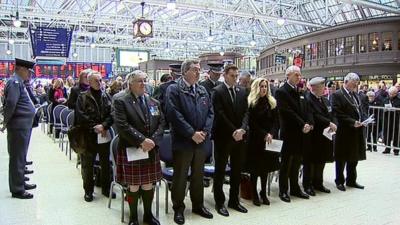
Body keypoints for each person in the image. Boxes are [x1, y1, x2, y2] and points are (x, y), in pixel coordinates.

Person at [165, 59, 214, 225]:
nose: (198, 72)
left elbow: (210, 113)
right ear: (185, 71)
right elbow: (173, 114)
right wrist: (191, 133)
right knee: (180, 176)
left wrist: (205, 132)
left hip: (201, 141)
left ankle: (198, 205)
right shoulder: (174, 89)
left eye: (199, 69)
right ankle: (178, 208)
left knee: (198, 176)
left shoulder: (202, 90)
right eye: (195, 69)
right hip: (183, 141)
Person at [114, 70, 163, 225]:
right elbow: (122, 126)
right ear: (131, 83)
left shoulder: (153, 101)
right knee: (134, 185)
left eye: (145, 80)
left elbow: (162, 123)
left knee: (148, 183)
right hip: (132, 148)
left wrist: (153, 141)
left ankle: (148, 215)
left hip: (150, 149)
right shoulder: (121, 101)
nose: (144, 84)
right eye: (140, 81)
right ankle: (133, 217)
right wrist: (142, 141)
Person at [212, 64, 249, 216]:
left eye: (236, 75)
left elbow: (247, 112)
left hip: (239, 136)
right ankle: (219, 202)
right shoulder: (218, 91)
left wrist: (242, 129)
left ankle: (234, 200)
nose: (235, 78)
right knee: (220, 171)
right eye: (232, 75)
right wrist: (234, 130)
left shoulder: (242, 91)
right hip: (224, 136)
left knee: (236, 170)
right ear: (225, 75)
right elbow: (219, 114)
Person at [275, 65, 313, 203]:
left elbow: (307, 109)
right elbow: (287, 111)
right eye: (296, 74)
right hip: (289, 132)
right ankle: (283, 190)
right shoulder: (281, 91)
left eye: (300, 74)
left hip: (301, 133)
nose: (299, 77)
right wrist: (302, 124)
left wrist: (309, 123)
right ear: (288, 75)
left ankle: (295, 188)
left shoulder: (300, 91)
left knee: (297, 162)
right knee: (286, 163)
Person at [75, 71, 114, 201]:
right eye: (96, 80)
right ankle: (88, 191)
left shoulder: (106, 96)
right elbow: (81, 116)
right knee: (88, 165)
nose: (99, 82)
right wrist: (95, 127)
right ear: (89, 82)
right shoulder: (83, 97)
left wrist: (104, 126)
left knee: (106, 164)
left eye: (101, 80)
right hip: (89, 135)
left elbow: (112, 114)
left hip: (104, 134)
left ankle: (106, 188)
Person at [1, 58, 37, 199]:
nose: (30, 74)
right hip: (18, 126)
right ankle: (17, 189)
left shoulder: (18, 82)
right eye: (28, 71)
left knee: (21, 156)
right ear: (20, 69)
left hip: (23, 125)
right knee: (17, 157)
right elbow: (11, 103)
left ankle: (20, 181)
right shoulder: (14, 82)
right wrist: (5, 122)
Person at [331, 72, 366, 191]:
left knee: (354, 157)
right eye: (353, 84)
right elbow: (337, 112)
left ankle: (351, 180)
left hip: (356, 130)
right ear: (345, 82)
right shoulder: (337, 95)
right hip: (344, 130)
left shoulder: (356, 95)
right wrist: (352, 121)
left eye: (356, 84)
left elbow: (360, 109)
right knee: (341, 158)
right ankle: (339, 180)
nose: (354, 86)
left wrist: (364, 119)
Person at [247, 78, 279, 206]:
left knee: (265, 168)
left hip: (269, 139)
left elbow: (276, 121)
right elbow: (252, 123)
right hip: (256, 139)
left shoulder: (271, 102)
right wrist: (264, 134)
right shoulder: (251, 103)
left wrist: (271, 133)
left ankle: (263, 192)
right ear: (256, 88)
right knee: (255, 169)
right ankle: (254, 192)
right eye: (261, 86)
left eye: (265, 86)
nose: (264, 89)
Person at [303, 77, 337, 196]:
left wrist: (334, 123)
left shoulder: (325, 100)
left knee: (321, 160)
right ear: (314, 87)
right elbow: (315, 115)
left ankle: (318, 183)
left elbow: (332, 114)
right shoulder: (308, 99)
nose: (324, 88)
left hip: (325, 135)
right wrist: (329, 123)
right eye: (322, 86)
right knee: (311, 162)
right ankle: (308, 185)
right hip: (314, 136)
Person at [382, 86, 400, 155]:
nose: (391, 95)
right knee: (387, 134)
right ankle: (387, 148)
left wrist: (394, 109)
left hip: (395, 120)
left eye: (392, 94)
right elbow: (382, 106)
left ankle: (396, 149)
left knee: (396, 135)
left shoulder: (398, 100)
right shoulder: (386, 99)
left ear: (396, 93)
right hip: (387, 119)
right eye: (390, 93)